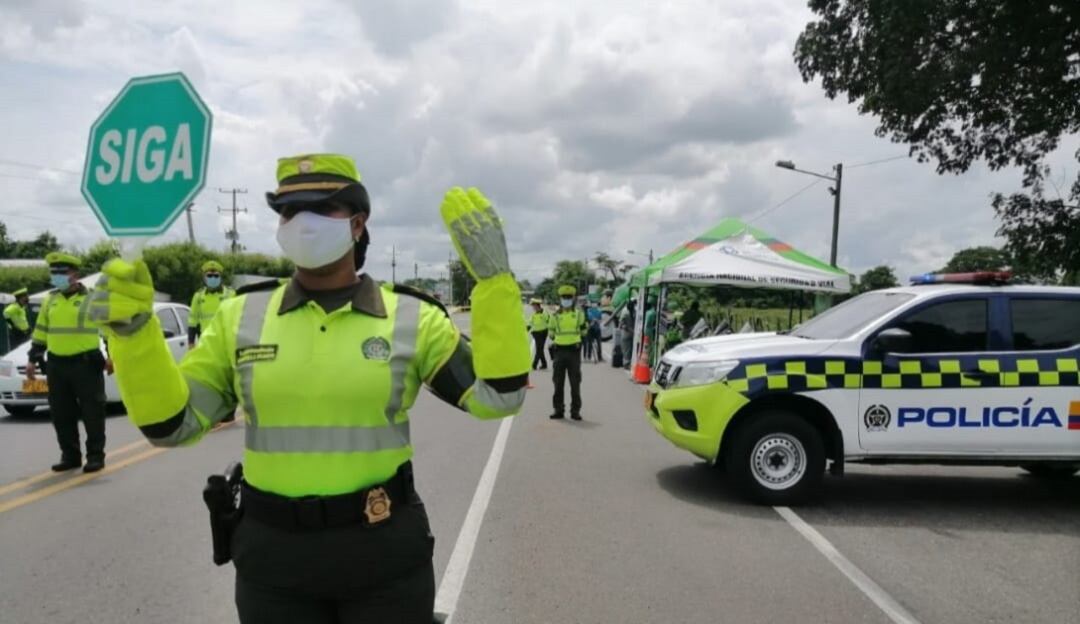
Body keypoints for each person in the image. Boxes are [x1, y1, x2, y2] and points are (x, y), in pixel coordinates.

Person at [89, 153, 529, 624]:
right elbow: (172, 426)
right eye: (289, 211)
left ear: (358, 224)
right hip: (273, 560)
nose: (302, 222)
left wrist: (496, 287)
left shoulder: (412, 318)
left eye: (323, 209)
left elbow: (497, 397)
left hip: (382, 552)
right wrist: (134, 333)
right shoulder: (240, 317)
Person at [27, 253, 108, 473]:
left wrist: (111, 355)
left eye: (62, 272)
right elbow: (41, 332)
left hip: (86, 364)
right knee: (61, 414)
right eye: (54, 273)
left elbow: (109, 328)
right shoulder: (50, 300)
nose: (57, 276)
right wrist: (33, 359)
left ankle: (95, 456)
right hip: (56, 365)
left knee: (93, 413)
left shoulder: (93, 298)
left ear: (75, 274)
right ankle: (70, 456)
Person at [548, 285, 586, 420]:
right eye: (564, 297)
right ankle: (558, 410)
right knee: (558, 383)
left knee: (575, 383)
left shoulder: (579, 314)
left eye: (569, 297)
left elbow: (584, 330)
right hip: (559, 351)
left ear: (573, 298)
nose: (566, 299)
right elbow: (551, 332)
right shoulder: (555, 316)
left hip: (574, 352)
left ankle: (575, 411)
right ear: (560, 298)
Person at [189, 260, 235, 348]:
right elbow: (192, 322)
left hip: (225, 341)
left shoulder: (231, 294)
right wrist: (191, 343)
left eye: (216, 276)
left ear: (221, 277)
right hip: (206, 342)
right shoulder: (198, 296)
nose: (213, 278)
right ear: (204, 278)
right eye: (209, 275)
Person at [529, 298, 550, 370]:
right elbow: (530, 323)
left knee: (539, 350)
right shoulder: (534, 315)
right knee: (540, 349)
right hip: (536, 334)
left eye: (534, 306)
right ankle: (544, 364)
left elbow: (549, 321)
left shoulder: (544, 313)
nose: (533, 308)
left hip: (543, 333)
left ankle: (534, 365)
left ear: (537, 306)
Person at [619, 299, 635, 370]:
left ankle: (628, 363)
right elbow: (621, 325)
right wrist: (628, 328)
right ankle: (626, 364)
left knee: (629, 350)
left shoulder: (632, 312)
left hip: (631, 334)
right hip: (626, 334)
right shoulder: (626, 313)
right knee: (626, 350)